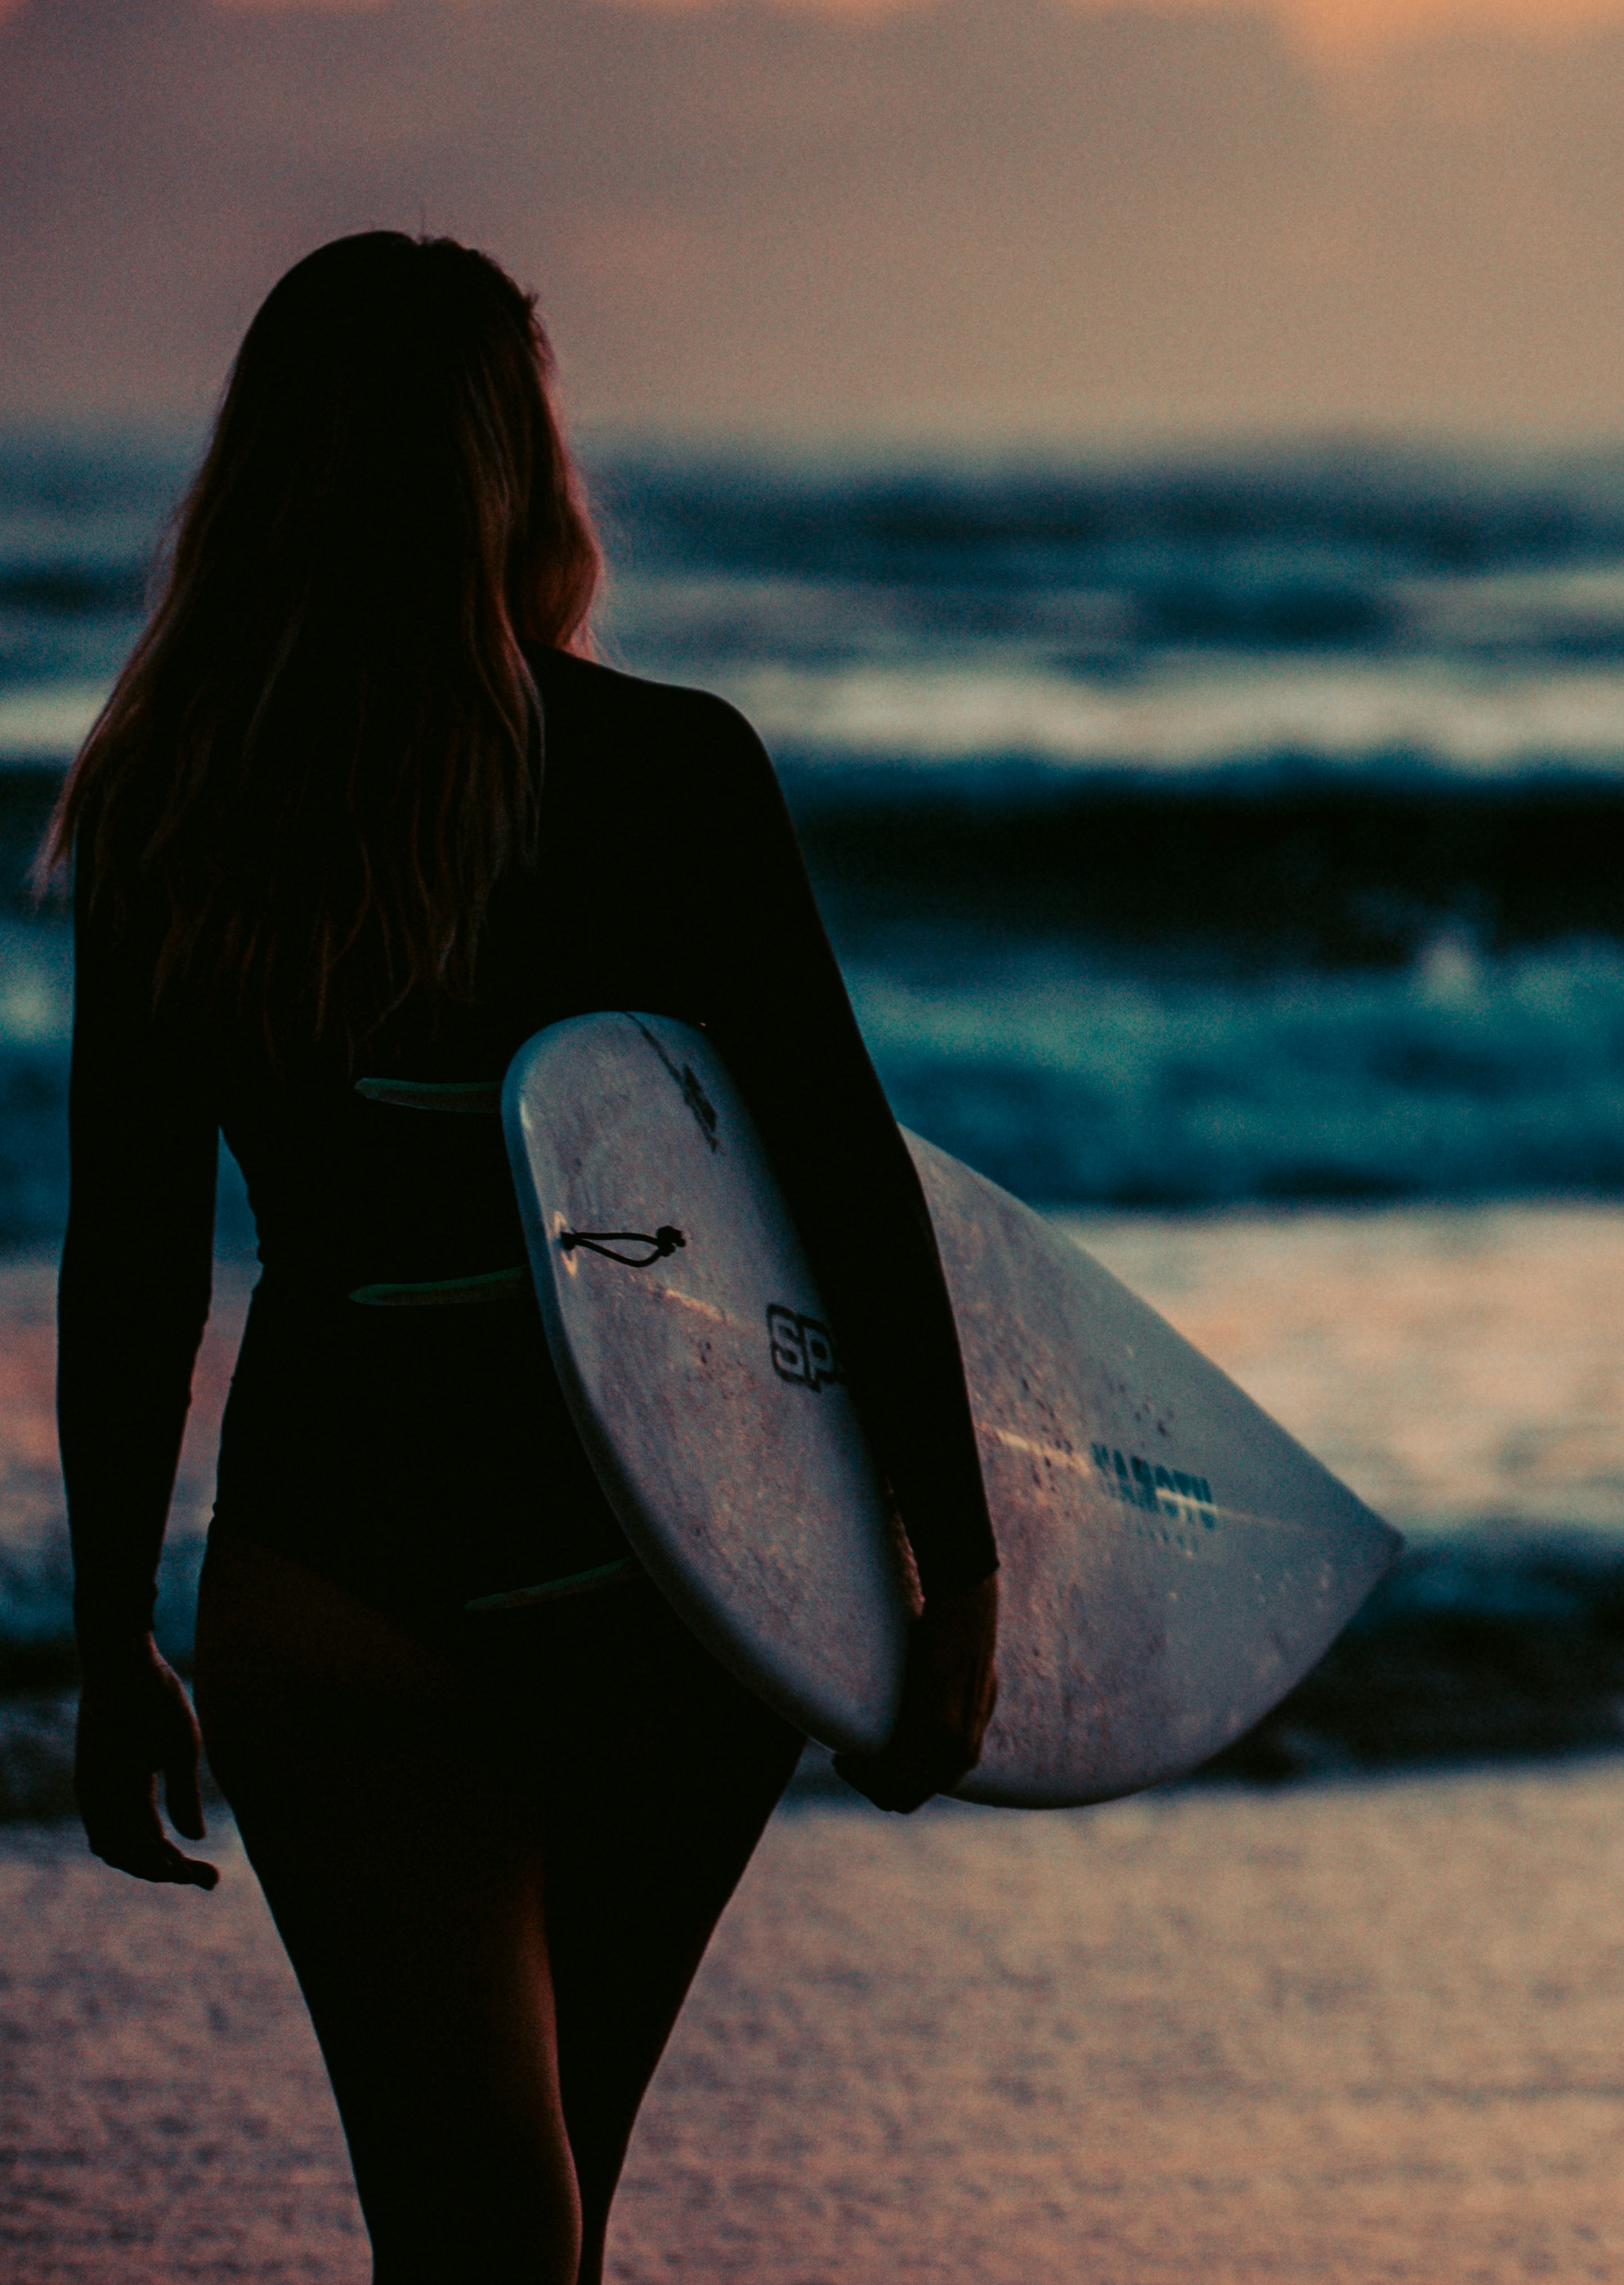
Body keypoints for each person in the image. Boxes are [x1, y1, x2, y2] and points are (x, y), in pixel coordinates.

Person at [47, 233, 1003, 2281]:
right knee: (508, 2223)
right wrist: (952, 1561)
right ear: (514, 468)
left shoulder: (174, 799)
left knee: (507, 2218)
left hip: (393, 1590)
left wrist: (120, 1613)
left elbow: (138, 1256)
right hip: (655, 1592)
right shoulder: (659, 769)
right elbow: (840, 1187)